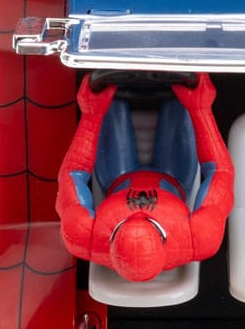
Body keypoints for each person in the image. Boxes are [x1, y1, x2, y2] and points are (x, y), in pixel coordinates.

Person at [56, 73, 234, 282]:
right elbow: (220, 173)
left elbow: (73, 174)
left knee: (110, 103)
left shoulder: (81, 236)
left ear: (112, 240)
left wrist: (91, 115)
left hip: (117, 177)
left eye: (124, 222)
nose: (139, 210)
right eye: (148, 220)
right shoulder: (200, 239)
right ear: (162, 238)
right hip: (173, 176)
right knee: (179, 105)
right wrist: (201, 111)